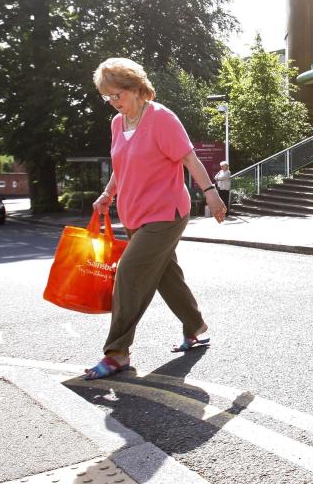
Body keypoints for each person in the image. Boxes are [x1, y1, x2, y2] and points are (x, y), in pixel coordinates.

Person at [85, 57, 227, 380]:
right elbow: (121, 170)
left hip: (167, 214)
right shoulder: (117, 124)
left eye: (116, 95)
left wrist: (211, 192)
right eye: (107, 97)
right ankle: (196, 326)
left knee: (129, 272)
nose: (112, 103)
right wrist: (108, 194)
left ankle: (117, 351)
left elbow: (189, 158)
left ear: (135, 88)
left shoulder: (161, 119)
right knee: (166, 276)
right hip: (134, 215)